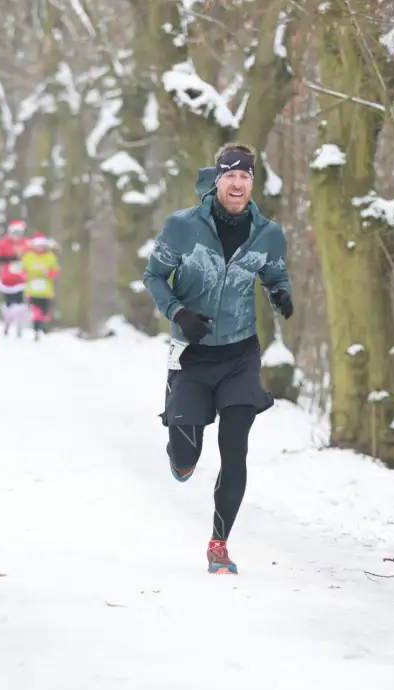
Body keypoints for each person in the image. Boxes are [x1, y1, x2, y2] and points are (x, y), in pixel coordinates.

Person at [142, 142, 293, 575]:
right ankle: (180, 453)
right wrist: (178, 312)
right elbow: (153, 275)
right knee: (185, 456)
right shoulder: (182, 228)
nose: (237, 182)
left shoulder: (268, 233)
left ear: (252, 182)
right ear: (217, 180)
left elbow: (273, 270)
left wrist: (279, 292)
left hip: (240, 355)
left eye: (245, 175)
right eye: (230, 175)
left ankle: (219, 544)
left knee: (236, 450)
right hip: (191, 355)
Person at [19, 233, 59, 341]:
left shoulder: (50, 257)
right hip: (32, 290)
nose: (40, 248)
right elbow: (23, 270)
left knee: (44, 312)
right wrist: (25, 275)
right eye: (38, 245)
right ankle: (36, 331)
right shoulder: (28, 256)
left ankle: (42, 325)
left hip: (46, 291)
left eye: (42, 245)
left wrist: (47, 272)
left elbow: (55, 273)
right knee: (36, 311)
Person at [0, 219, 29, 336]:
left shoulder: (26, 244)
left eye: (19, 233)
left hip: (21, 279)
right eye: (14, 233)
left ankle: (19, 325)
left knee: (19, 303)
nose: (17, 236)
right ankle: (7, 323)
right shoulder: (3, 243)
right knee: (8, 304)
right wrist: (10, 259)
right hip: (7, 279)